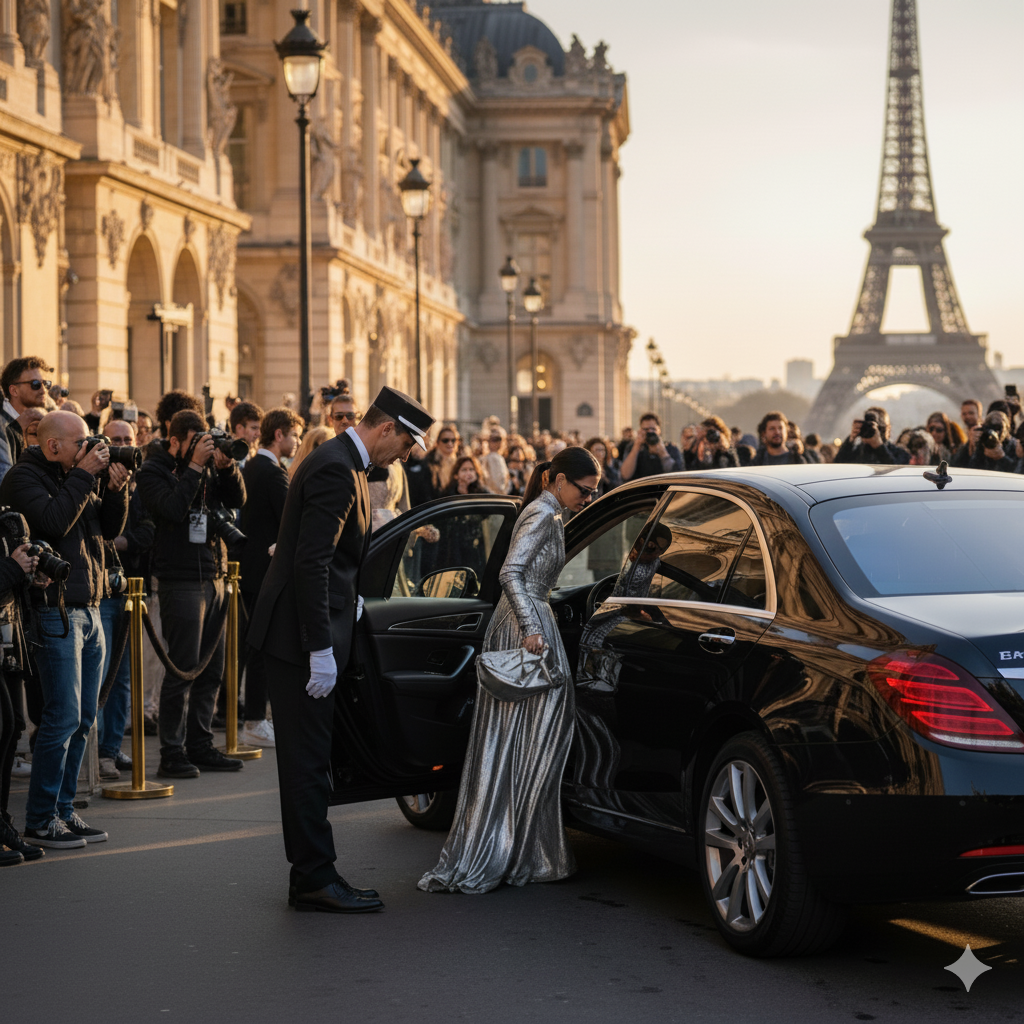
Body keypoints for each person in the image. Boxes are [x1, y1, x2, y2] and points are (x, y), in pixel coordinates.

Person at [249, 385, 433, 914]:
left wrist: (345, 607)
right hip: (298, 638)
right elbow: (310, 563)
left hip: (301, 630)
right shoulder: (335, 466)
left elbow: (326, 562)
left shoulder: (342, 461)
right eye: (404, 444)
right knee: (307, 763)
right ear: (385, 429)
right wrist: (319, 649)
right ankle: (314, 877)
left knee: (311, 760)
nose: (404, 456)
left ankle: (310, 873)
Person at [419, 445, 600, 895]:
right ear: (558, 481)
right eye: (585, 490)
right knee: (524, 736)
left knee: (531, 737)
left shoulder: (552, 512)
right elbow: (510, 573)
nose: (589, 498)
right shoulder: (542, 513)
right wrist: (530, 625)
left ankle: (528, 847)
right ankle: (515, 848)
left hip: (534, 623)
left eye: (594, 492)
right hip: (526, 628)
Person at [1, 410, 130, 848]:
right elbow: (53, 524)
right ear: (52, 445)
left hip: (90, 606)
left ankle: (63, 810)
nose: (89, 449)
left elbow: (107, 531)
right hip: (55, 611)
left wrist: (115, 491)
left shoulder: (76, 475)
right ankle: (39, 818)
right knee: (61, 717)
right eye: (80, 443)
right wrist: (86, 476)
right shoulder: (23, 479)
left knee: (85, 718)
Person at [136, 404, 247, 779]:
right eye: (194, 443)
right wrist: (196, 468)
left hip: (214, 574)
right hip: (179, 580)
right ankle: (172, 752)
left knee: (211, 670)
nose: (201, 449)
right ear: (175, 442)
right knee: (182, 668)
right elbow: (171, 509)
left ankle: (200, 745)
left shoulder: (207, 468)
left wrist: (226, 467)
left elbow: (236, 501)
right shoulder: (152, 470)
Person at [238, 407, 304, 748]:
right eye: (293, 435)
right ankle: (254, 720)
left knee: (255, 646)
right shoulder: (271, 472)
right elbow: (290, 523)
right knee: (260, 647)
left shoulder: (253, 466)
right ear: (278, 434)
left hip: (251, 569)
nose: (297, 442)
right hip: (263, 571)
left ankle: (254, 717)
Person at [97, 416, 153, 780]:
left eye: (127, 440)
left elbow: (150, 532)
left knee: (123, 678)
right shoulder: (91, 478)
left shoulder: (142, 484)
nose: (121, 447)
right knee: (98, 676)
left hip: (132, 589)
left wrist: (122, 542)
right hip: (100, 591)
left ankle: (110, 749)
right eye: (114, 440)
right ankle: (92, 754)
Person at [0, 540, 42, 863]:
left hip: (8, 628)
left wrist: (30, 573)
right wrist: (12, 568)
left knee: (12, 726)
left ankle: (1, 822)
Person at [0, 356, 54, 480]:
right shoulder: (3, 425)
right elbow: (6, 483)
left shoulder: (43, 419)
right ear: (14, 390)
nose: (43, 390)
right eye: (35, 384)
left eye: (46, 384)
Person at [619, 413, 683, 481]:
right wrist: (636, 447)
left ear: (659, 430)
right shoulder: (632, 447)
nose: (650, 432)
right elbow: (625, 475)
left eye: (653, 429)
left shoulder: (670, 448)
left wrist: (662, 453)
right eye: (646, 429)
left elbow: (677, 475)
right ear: (640, 430)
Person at [835, 407, 909, 464]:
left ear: (888, 430)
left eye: (878, 427)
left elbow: (896, 472)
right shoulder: (855, 452)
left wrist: (879, 447)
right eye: (867, 426)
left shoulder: (900, 454)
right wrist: (850, 440)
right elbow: (837, 467)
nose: (870, 430)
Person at [229, 401, 263, 467]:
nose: (259, 433)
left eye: (260, 429)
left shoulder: (252, 453)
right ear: (239, 429)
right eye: (254, 428)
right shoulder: (230, 457)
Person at [480, 427, 510, 495]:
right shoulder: (492, 458)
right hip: (494, 498)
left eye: (500, 439)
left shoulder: (499, 458)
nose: (498, 442)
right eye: (494, 439)